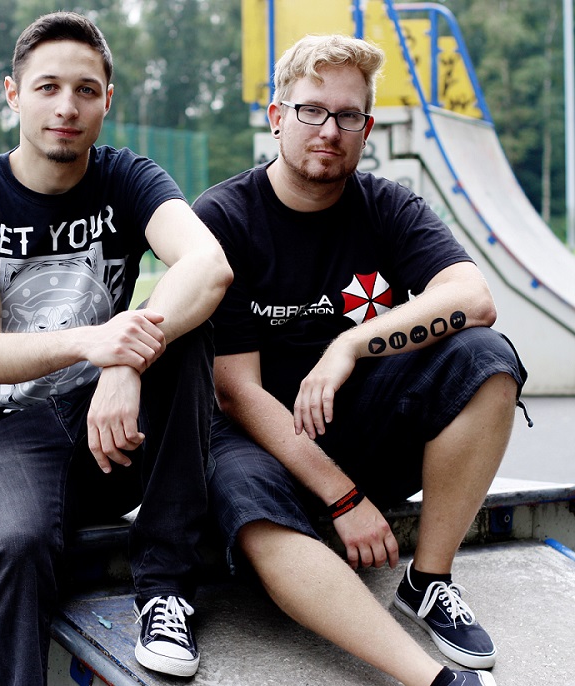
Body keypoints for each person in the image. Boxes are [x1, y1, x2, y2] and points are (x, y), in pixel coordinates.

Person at [192, 34, 527, 686]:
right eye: (312, 110)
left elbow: (474, 299)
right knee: (239, 488)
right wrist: (342, 497)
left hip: (360, 428)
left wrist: (349, 344)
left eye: (348, 115)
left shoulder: (387, 206)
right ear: (277, 116)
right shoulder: (224, 217)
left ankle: (428, 580)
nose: (330, 130)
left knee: (485, 359)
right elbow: (236, 392)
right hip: (258, 442)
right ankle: (431, 680)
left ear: (366, 129)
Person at [0, 12, 232, 684]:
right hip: (1, 434)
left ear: (107, 100)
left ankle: (167, 593)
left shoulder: (129, 178)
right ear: (14, 95)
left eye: (86, 90)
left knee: (187, 330)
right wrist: (97, 342)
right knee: (17, 543)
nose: (66, 107)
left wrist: (124, 360)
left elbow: (208, 265)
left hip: (110, 434)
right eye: (47, 87)